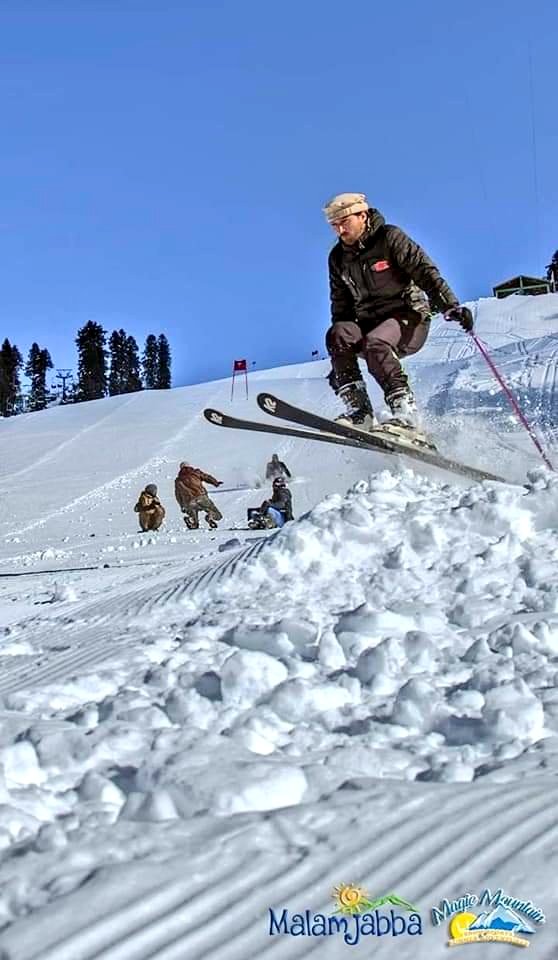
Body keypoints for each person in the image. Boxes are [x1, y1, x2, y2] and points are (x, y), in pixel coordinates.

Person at [323, 192, 473, 444]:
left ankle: (406, 414)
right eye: (334, 225)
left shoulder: (389, 237)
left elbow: (424, 270)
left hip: (408, 319)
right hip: (369, 325)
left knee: (376, 342)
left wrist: (450, 305)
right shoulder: (338, 257)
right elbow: (341, 307)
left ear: (362, 215)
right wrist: (340, 363)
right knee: (338, 333)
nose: (339, 230)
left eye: (344, 222)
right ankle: (359, 412)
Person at [174, 461, 223, 530]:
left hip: (189, 502)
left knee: (194, 524)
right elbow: (207, 477)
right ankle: (210, 516)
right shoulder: (196, 472)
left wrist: (182, 506)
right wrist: (215, 483)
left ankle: (191, 520)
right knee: (217, 515)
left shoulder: (178, 480)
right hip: (201, 497)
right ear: (189, 466)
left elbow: (178, 495)